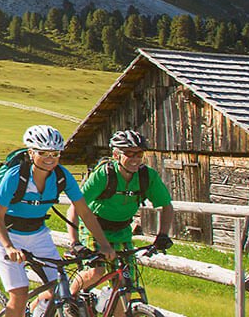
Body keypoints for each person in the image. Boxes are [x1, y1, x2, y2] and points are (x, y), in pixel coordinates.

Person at [0, 125, 116, 317]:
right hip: (7, 235)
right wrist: (8, 247)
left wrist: (105, 245)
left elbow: (85, 212)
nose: (50, 159)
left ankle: (35, 311)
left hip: (38, 234)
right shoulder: (15, 176)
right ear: (31, 153)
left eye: (55, 154)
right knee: (20, 294)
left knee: (58, 286)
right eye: (43, 153)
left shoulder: (62, 176)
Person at [67, 129, 174, 316]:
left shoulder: (147, 176)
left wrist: (162, 235)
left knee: (125, 284)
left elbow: (166, 206)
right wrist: (74, 242)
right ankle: (69, 300)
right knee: (96, 272)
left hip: (123, 231)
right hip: (94, 228)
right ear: (116, 155)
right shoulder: (104, 175)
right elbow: (75, 207)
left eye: (139, 154)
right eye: (129, 153)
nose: (135, 159)